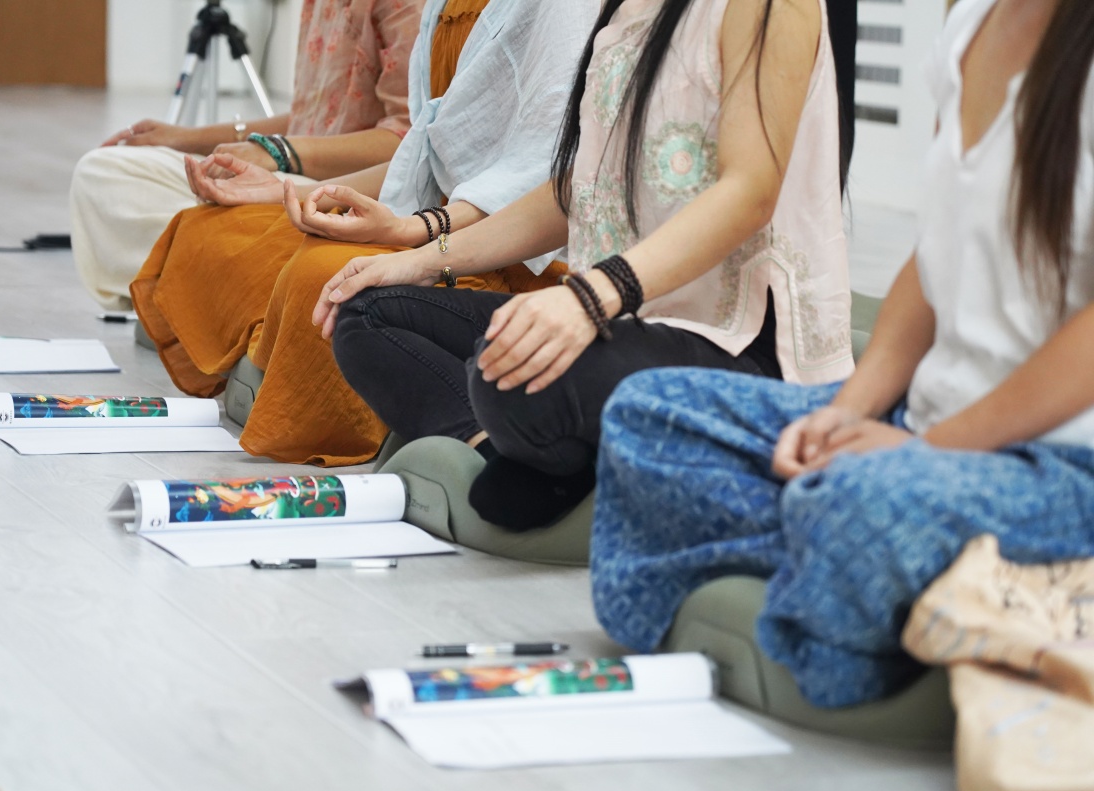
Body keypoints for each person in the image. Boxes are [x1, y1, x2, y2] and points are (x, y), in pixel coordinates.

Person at [589, 0, 1094, 709]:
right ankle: (856, 587)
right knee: (648, 416)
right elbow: (934, 257)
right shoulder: (973, 20)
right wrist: (849, 410)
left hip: (1062, 469)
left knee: (864, 508)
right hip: (917, 433)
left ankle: (833, 581)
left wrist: (926, 453)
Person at [324, 0, 854, 531]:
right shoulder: (624, 7)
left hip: (737, 344)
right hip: (625, 322)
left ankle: (543, 447)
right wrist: (420, 259)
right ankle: (502, 446)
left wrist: (591, 296)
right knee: (365, 311)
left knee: (508, 369)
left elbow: (750, 190)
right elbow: (581, 188)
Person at [130, 0, 599, 466]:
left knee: (329, 281)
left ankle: (298, 374)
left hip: (507, 249)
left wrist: (416, 234)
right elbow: (426, 153)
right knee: (214, 227)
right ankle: (272, 357)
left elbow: (544, 176)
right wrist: (289, 190)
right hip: (425, 219)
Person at [69, 0, 423, 309]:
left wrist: (278, 152)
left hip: (345, 190)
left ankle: (190, 294)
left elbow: (409, 143)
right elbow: (313, 117)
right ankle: (191, 294)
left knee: (218, 218)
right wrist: (187, 138)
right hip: (299, 169)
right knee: (104, 173)